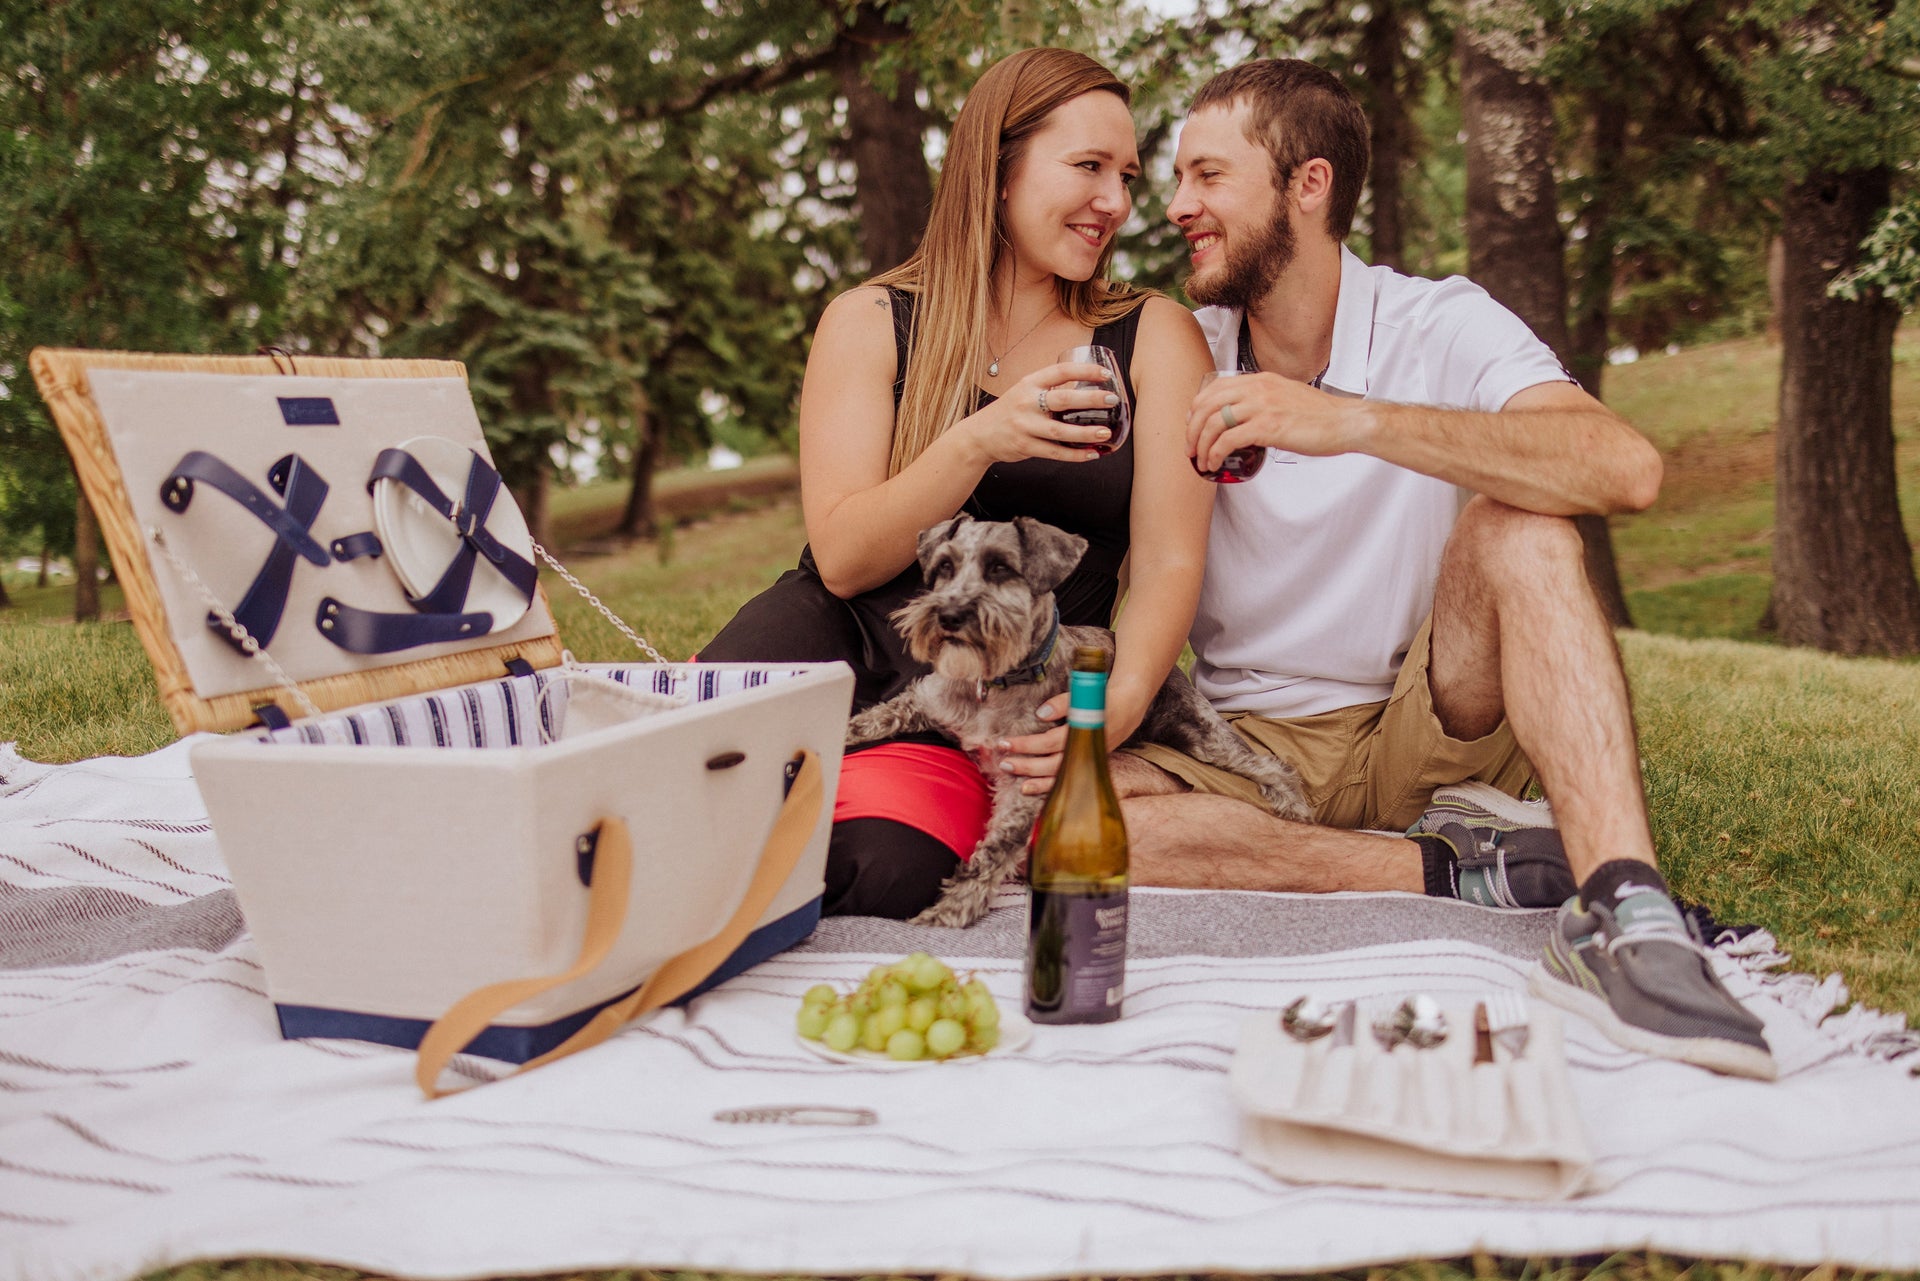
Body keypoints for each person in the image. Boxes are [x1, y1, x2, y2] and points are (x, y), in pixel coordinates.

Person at [1099, 58, 1775, 1079]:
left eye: (1207, 176)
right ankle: (1451, 872)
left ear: (1308, 185)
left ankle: (1624, 910)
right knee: (1053, 830)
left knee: (1526, 528)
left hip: (1429, 716)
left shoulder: (1438, 321)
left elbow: (1623, 469)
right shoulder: (1178, 350)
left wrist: (1357, 422)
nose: (1178, 206)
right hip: (1247, 745)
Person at [699, 48, 1216, 919]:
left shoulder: (1154, 336)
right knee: (661, 786)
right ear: (999, 168)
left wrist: (1106, 714)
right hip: (831, 637)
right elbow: (844, 561)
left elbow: (1169, 562)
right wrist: (981, 438)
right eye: (1088, 167)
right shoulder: (870, 321)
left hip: (989, 689)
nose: (1118, 203)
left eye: (1126, 175)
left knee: (880, 870)